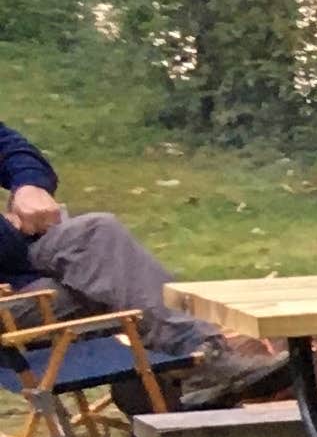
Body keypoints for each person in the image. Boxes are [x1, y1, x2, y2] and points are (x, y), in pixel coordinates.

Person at [0, 119, 291, 402]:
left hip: (21, 266)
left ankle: (195, 370)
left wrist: (30, 185)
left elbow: (10, 147)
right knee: (129, 285)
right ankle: (196, 369)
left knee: (101, 237)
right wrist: (11, 230)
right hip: (11, 296)